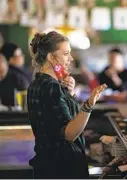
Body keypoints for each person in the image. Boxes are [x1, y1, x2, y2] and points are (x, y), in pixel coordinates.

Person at [27, 31, 107, 179]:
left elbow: (64, 120)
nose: (70, 58)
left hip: (45, 165)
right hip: (62, 167)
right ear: (51, 57)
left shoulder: (36, 84)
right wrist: (89, 104)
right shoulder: (52, 87)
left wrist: (69, 94)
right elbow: (69, 134)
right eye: (65, 54)